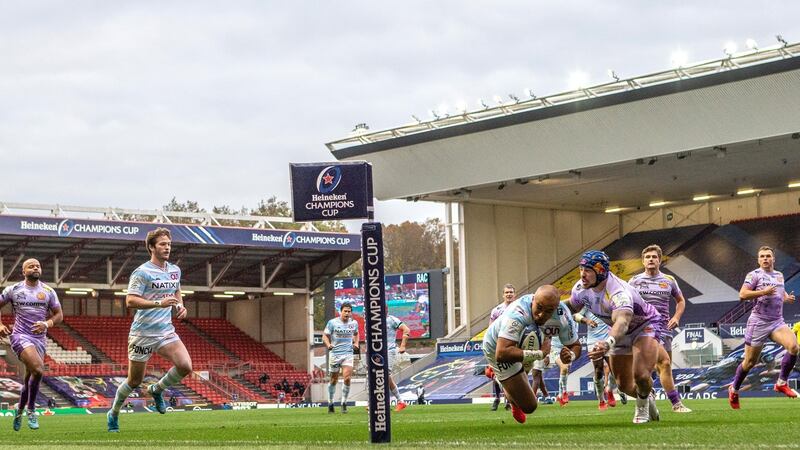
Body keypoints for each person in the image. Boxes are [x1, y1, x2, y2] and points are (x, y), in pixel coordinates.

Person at [107, 228, 192, 433]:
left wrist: (180, 306)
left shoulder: (174, 270)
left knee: (185, 365)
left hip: (165, 331)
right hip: (142, 334)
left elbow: (176, 290)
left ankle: (157, 389)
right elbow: (130, 300)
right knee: (134, 381)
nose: (167, 248)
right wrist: (159, 304)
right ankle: (114, 413)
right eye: (162, 244)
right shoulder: (142, 272)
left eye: (169, 244)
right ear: (152, 247)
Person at [567, 250, 663, 424]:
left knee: (641, 375)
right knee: (624, 385)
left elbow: (622, 322)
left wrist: (607, 342)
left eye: (588, 270)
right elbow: (570, 308)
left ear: (600, 271)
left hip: (644, 325)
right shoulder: (581, 289)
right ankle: (648, 397)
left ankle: (642, 409)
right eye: (581, 269)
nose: (582, 274)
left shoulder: (618, 291)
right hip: (620, 332)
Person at [728, 246, 798, 409]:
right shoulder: (754, 275)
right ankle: (735, 388)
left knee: (794, 347)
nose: (765, 259)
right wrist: (763, 292)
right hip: (758, 322)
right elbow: (743, 294)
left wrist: (786, 297)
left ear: (774, 259)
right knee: (750, 362)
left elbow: (779, 291)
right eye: (762, 256)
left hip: (777, 322)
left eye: (768, 256)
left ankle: (781, 383)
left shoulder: (779, 275)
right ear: (758, 260)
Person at [482, 285, 561, 424]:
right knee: (530, 406)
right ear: (534, 302)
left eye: (548, 311)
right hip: (497, 348)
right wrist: (540, 353)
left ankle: (507, 383)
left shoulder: (554, 309)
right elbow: (502, 353)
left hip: (521, 341)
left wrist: (553, 344)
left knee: (521, 390)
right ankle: (497, 376)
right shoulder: (516, 315)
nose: (542, 314)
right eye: (540, 308)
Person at [0, 258, 63, 431]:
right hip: (20, 336)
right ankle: (32, 410)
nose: (35, 268)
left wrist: (46, 324)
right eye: (31, 266)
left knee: (30, 378)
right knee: (38, 369)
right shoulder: (14, 289)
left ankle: (19, 412)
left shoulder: (48, 291)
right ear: (23, 271)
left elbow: (59, 315)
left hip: (39, 339)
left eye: (38, 266)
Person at [629, 244, 692, 413]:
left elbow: (681, 300)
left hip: (664, 328)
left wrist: (676, 317)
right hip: (644, 329)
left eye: (654, 257)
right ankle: (675, 403)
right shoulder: (634, 281)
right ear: (643, 261)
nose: (651, 260)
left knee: (664, 365)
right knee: (662, 362)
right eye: (648, 257)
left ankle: (651, 392)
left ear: (659, 260)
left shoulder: (669, 281)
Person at [530, 301, 582, 407]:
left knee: (565, 370)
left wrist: (588, 321)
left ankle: (559, 394)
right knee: (563, 368)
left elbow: (579, 318)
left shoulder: (573, 318)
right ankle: (563, 393)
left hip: (566, 348)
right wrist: (548, 354)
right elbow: (548, 336)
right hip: (554, 348)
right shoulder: (556, 318)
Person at [574, 307, 623, 410]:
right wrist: (587, 320)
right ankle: (601, 399)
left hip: (608, 340)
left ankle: (609, 389)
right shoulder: (587, 303)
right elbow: (576, 315)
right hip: (593, 341)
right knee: (598, 371)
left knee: (615, 369)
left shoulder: (608, 301)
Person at [322, 302, 359, 413]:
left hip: (348, 354)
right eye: (345, 311)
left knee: (347, 378)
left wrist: (356, 343)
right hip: (335, 354)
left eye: (349, 311)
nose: (347, 313)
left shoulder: (354, 323)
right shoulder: (332, 323)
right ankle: (330, 402)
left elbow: (356, 333)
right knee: (334, 380)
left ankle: (344, 403)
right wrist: (329, 345)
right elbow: (324, 336)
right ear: (341, 311)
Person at [488, 284, 516, 411]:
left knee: (513, 373)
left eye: (511, 292)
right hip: (499, 345)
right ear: (503, 295)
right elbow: (490, 329)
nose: (509, 294)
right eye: (507, 292)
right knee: (497, 373)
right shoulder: (497, 310)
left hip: (514, 345)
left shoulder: (519, 309)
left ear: (514, 294)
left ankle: (510, 400)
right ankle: (498, 398)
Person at [386, 314, 411, 411]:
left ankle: (379, 403)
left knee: (384, 375)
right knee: (383, 376)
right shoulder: (373, 322)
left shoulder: (392, 319)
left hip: (389, 351)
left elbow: (406, 329)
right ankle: (401, 401)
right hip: (377, 351)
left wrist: (403, 345)